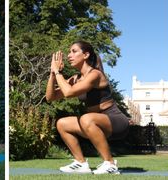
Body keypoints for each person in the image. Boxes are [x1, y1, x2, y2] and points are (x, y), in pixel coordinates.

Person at [46, 40, 129, 174]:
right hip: (94, 123)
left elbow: (68, 92)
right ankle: (80, 163)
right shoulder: (75, 78)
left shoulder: (95, 74)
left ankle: (110, 164)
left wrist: (58, 73)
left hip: (116, 122)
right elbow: (51, 97)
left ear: (85, 55)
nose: (69, 55)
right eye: (69, 52)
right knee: (62, 124)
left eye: (74, 51)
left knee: (86, 119)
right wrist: (52, 73)